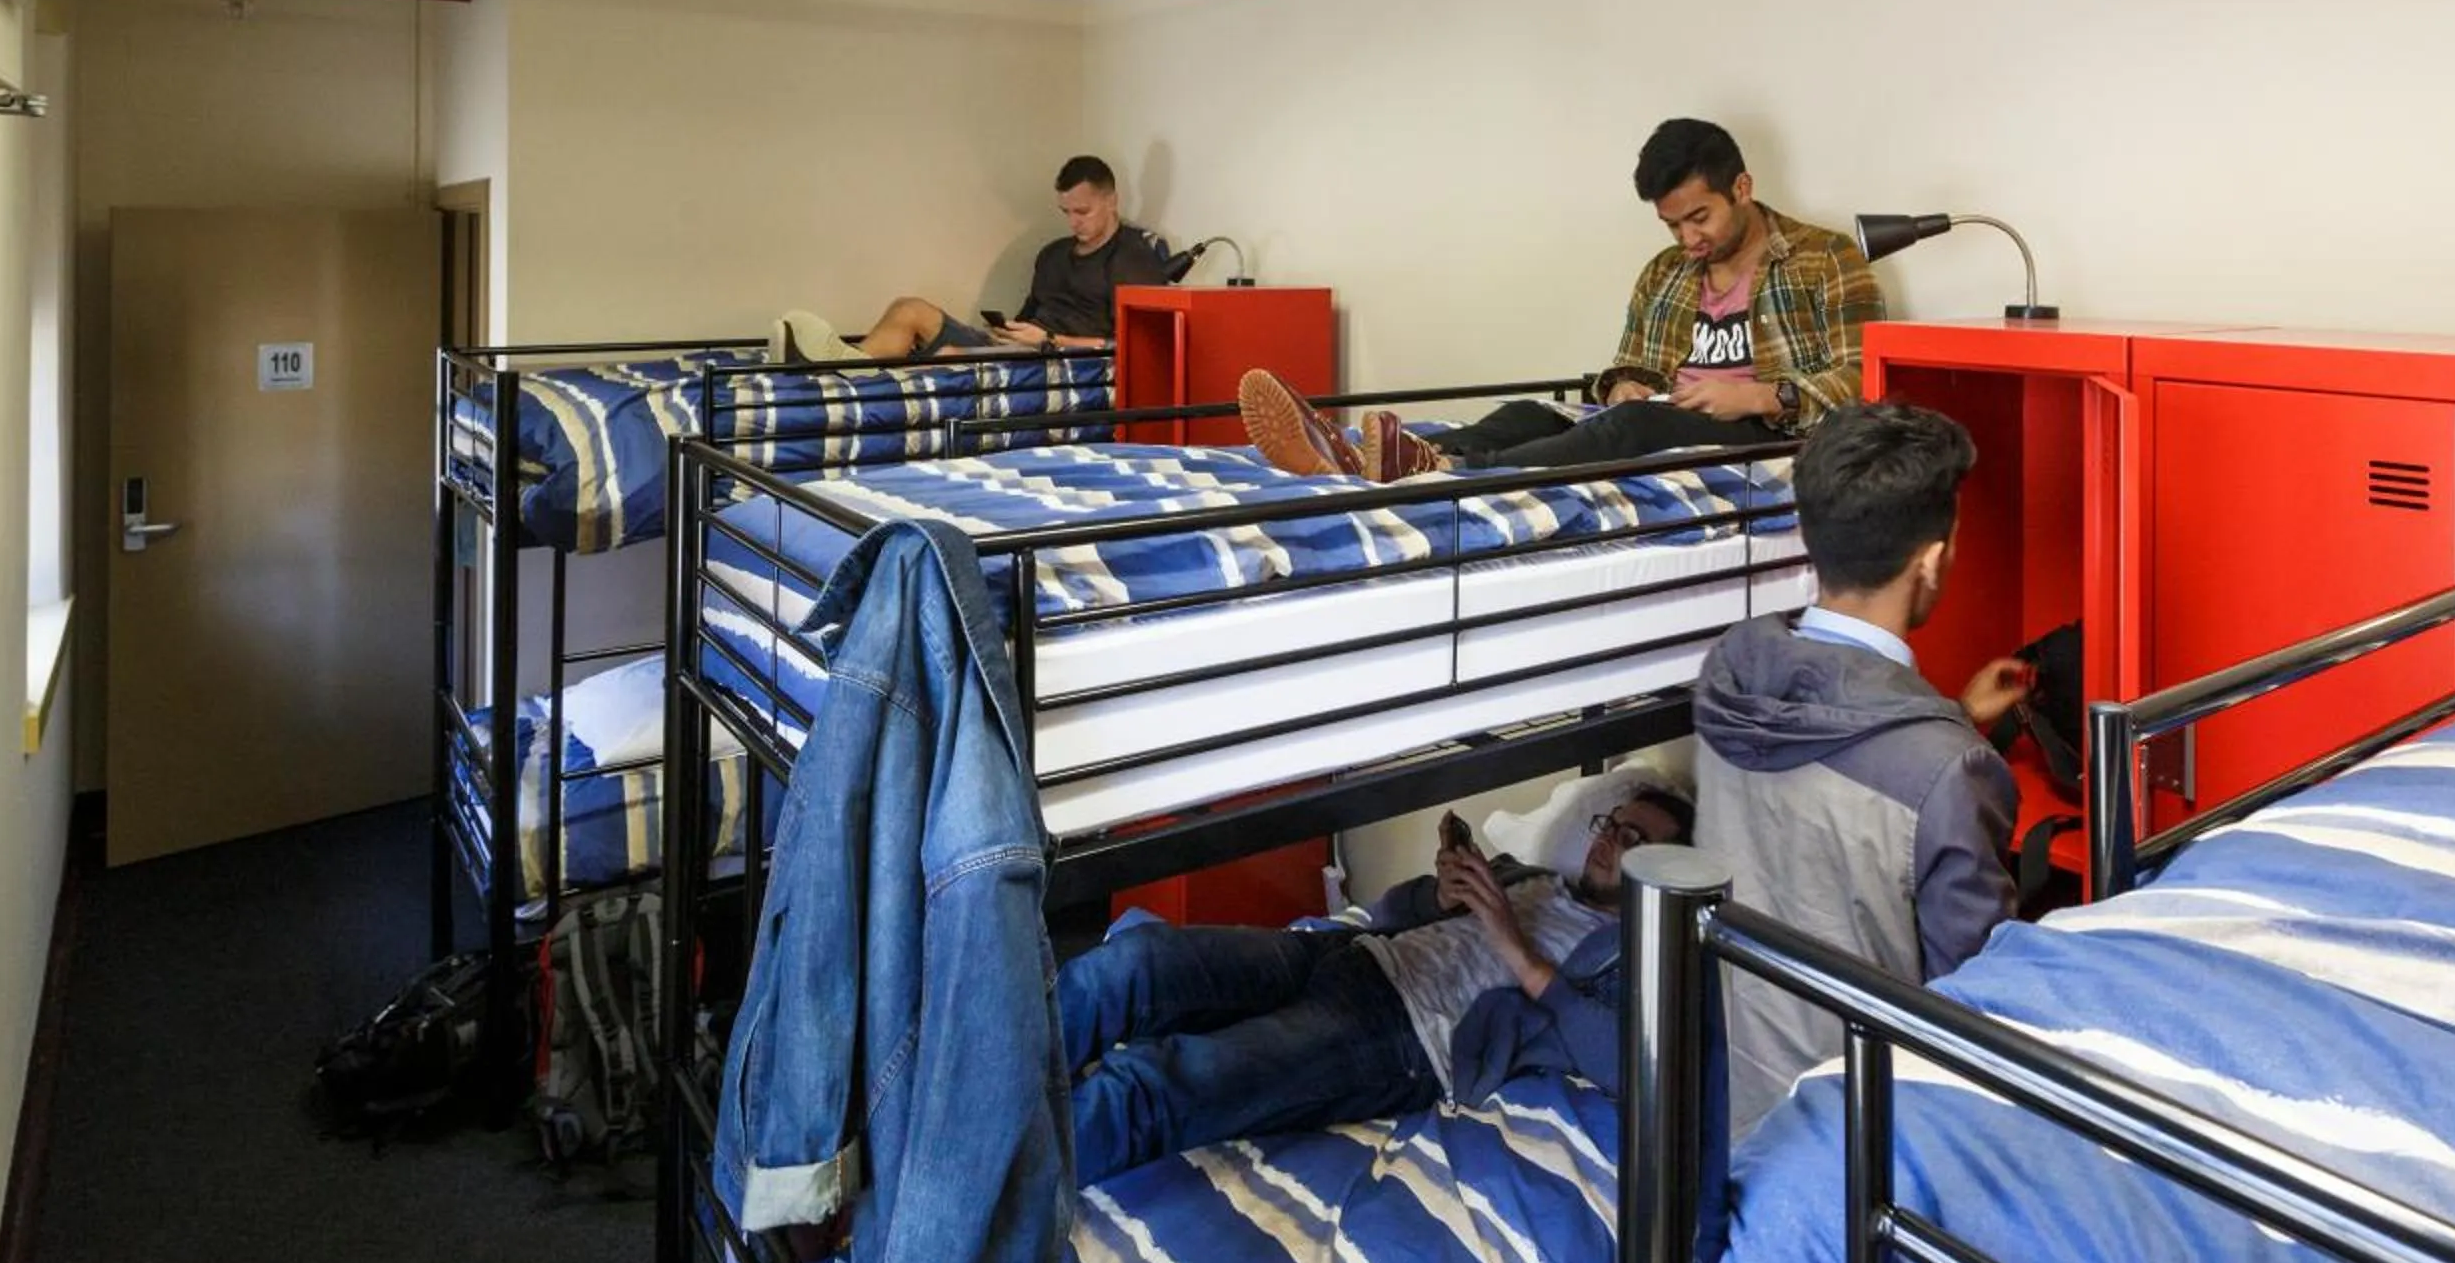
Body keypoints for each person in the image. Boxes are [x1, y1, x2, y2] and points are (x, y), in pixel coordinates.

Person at [1056, 777, 1696, 1186]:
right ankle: (999, 1091)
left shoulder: (1629, 953)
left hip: (1400, 1032)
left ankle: (1001, 1201)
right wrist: (1441, 895)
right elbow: (1391, 912)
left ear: (1665, 866)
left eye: (1633, 838)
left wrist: (1515, 946)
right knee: (1133, 964)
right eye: (1610, 824)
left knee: (1151, 1086)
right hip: (1342, 953)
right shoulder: (1531, 876)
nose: (1608, 840)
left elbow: (1621, 1057)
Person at [1692, 398, 2036, 1133]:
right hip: (1861, 1133)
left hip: (1737, 1101)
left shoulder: (1730, 675)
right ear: (1932, 561)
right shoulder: (1948, 771)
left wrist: (1951, 718)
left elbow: (1827, 779)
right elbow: (1978, 1009)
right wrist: (1948, 741)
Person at [1236, 117, 1881, 481]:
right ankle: (1394, 458)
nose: (1688, 240)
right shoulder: (1666, 272)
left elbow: (1864, 380)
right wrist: (1622, 384)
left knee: (1632, 427)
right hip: (1665, 414)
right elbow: (1634, 365)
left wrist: (1763, 396)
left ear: (1742, 188)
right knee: (1531, 413)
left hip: (1760, 431)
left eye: (1699, 218)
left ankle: (1449, 473)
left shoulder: (1824, 258)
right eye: (1672, 226)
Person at [776, 155, 1173, 363]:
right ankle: (843, 367)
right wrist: (1007, 331)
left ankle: (836, 371)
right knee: (908, 308)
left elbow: (1133, 345)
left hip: (1054, 359)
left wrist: (1051, 341)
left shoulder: (1133, 257)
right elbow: (1028, 315)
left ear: (1111, 201)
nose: (1073, 222)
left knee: (948, 359)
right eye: (1065, 212)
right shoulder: (1052, 254)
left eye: (1082, 212)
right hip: (1022, 348)